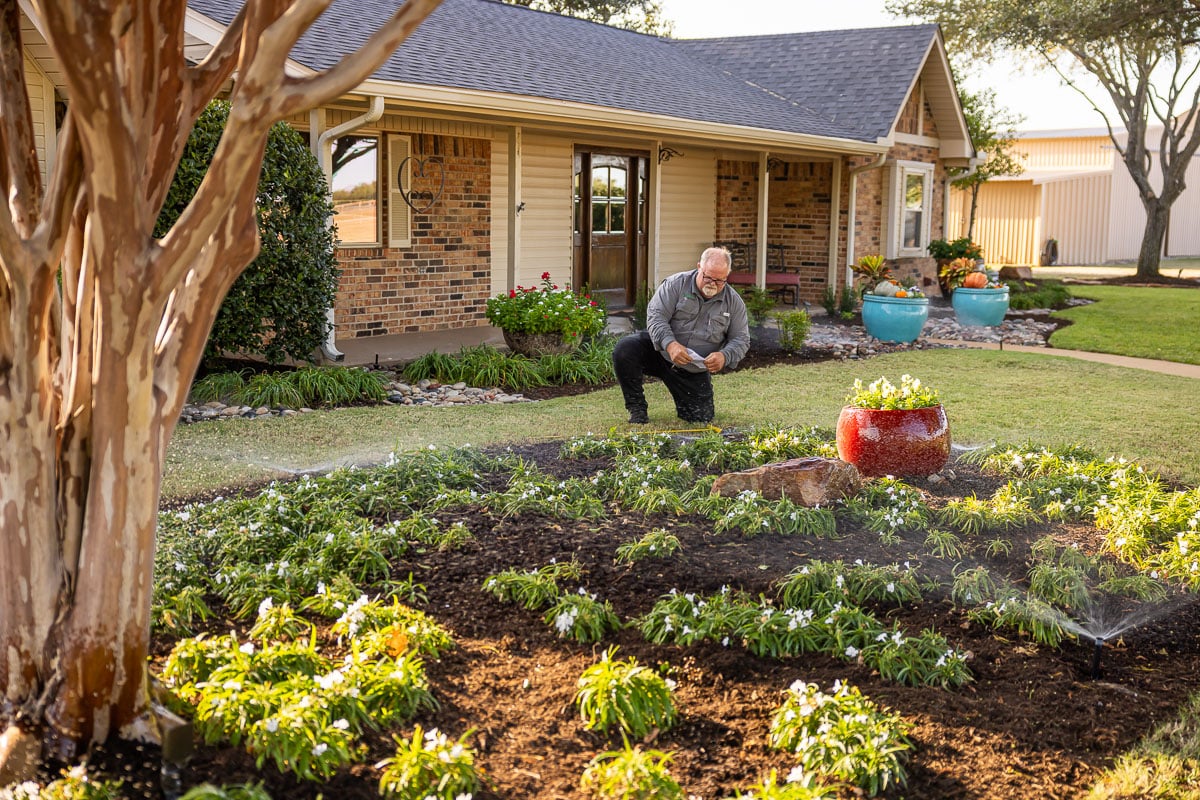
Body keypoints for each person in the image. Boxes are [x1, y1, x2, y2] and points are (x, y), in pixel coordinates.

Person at [613, 247, 750, 424]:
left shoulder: (734, 302)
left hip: (692, 368)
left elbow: (741, 339)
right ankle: (637, 409)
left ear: (727, 276)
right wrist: (670, 344)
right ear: (699, 267)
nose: (712, 284)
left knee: (700, 418)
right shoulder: (675, 284)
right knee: (625, 349)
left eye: (719, 280)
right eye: (708, 277)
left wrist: (725, 356)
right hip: (661, 352)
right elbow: (656, 317)